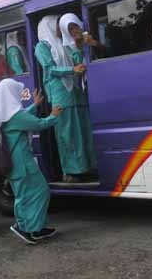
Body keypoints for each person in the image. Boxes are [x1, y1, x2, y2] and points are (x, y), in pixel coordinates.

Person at [0, 79, 62, 244]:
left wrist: (34, 105)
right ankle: (28, 228)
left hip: (13, 165)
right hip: (22, 165)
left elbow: (22, 117)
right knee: (40, 192)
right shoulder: (16, 117)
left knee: (23, 196)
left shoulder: (5, 116)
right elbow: (39, 124)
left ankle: (32, 227)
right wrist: (54, 116)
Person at [35, 15, 95, 183]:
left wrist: (77, 46)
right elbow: (49, 69)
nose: (58, 30)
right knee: (67, 133)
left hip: (76, 92)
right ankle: (70, 172)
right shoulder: (42, 47)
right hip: (60, 94)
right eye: (55, 26)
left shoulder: (64, 43)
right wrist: (72, 70)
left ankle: (87, 167)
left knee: (83, 130)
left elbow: (77, 60)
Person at [58, 13, 99, 182]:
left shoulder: (88, 37)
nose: (74, 31)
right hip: (82, 90)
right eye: (70, 29)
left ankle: (93, 166)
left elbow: (104, 50)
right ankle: (80, 170)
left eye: (75, 26)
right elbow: (73, 67)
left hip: (95, 86)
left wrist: (92, 44)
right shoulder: (67, 48)